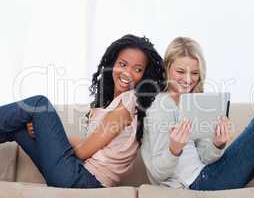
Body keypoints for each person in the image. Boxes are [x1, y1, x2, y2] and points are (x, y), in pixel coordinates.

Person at [0, 34, 165, 188]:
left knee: (38, 104)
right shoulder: (112, 105)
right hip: (77, 176)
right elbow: (90, 145)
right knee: (20, 127)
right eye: (122, 64)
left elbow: (83, 151)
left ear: (144, 75)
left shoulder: (127, 103)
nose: (127, 73)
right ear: (112, 64)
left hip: (82, 180)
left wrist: (50, 138)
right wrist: (46, 135)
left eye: (137, 69)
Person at [141, 36, 254, 190]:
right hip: (201, 183)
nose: (188, 79)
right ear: (167, 69)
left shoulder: (194, 102)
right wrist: (174, 149)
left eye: (195, 73)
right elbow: (157, 174)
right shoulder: (160, 107)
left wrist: (217, 143)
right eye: (180, 71)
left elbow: (205, 157)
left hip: (210, 174)